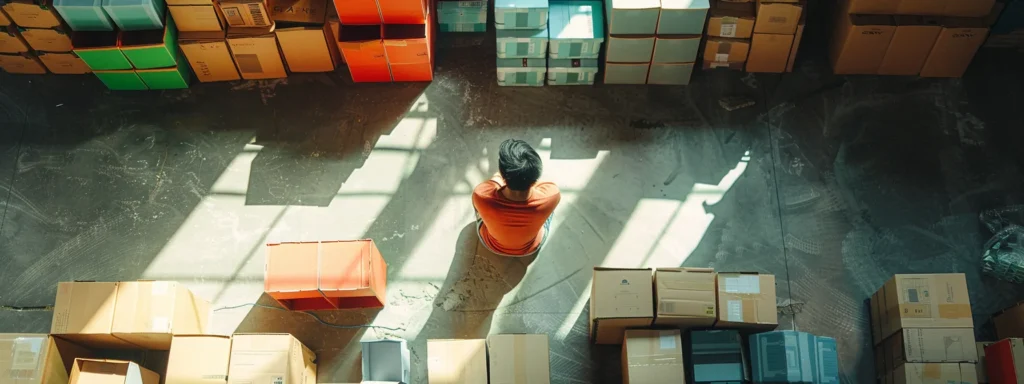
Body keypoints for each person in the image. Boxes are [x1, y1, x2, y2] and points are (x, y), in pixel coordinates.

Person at [473, 139, 561, 257]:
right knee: (549, 209)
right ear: (536, 175)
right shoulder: (552, 195)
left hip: (491, 245)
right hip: (531, 248)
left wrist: (498, 178)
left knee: (479, 207)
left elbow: (495, 180)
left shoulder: (481, 194)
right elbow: (544, 185)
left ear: (502, 172)